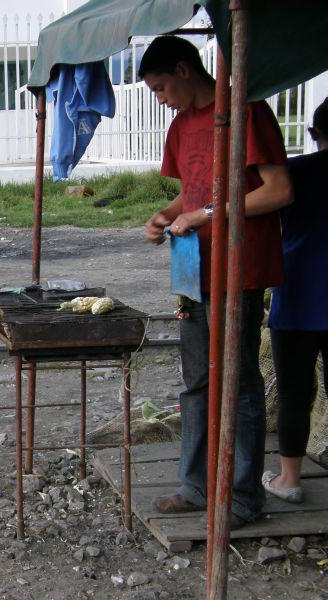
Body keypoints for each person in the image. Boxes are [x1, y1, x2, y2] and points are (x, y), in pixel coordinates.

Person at [140, 36, 293, 527]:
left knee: (240, 383)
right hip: (192, 271)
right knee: (197, 381)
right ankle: (196, 486)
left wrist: (208, 214)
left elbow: (279, 190)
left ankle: (244, 497)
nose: (160, 98)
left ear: (185, 70)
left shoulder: (247, 110)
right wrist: (163, 217)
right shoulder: (181, 125)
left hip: (240, 269)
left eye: (161, 87)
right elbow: (190, 193)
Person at [262, 97, 328, 503]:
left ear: (313, 134)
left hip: (300, 293)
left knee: (293, 391)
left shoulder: (296, 173)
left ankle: (290, 481)